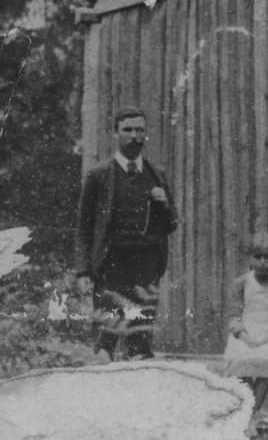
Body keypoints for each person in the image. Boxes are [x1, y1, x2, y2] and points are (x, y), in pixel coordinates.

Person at [74, 106, 178, 360]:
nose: (134, 136)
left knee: (140, 336)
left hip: (146, 264)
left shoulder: (157, 175)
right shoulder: (99, 175)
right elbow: (84, 227)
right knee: (107, 334)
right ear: (115, 133)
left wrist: (164, 205)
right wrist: (83, 271)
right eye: (127, 130)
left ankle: (138, 375)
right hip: (111, 263)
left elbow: (171, 224)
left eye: (139, 130)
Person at [223, 232, 268, 421]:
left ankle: (253, 414)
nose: (263, 262)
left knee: (265, 366)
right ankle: (248, 412)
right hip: (246, 334)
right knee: (243, 364)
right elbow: (234, 313)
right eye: (257, 257)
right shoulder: (241, 283)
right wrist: (243, 336)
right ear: (249, 258)